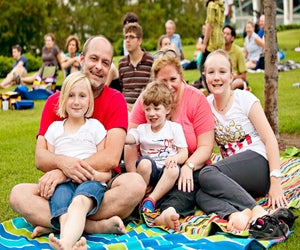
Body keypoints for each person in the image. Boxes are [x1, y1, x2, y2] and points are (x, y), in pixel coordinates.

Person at [9, 35, 146, 238]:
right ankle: (92, 226)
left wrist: (65, 170)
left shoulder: (115, 100)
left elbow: (110, 157)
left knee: (135, 184)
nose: (99, 66)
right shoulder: (55, 102)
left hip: (99, 183)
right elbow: (40, 158)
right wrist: (62, 169)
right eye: (94, 59)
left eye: (105, 62)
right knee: (18, 195)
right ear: (81, 59)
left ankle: (58, 223)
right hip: (60, 189)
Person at [196, 49, 288, 233]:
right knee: (199, 193)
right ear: (204, 75)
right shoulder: (205, 105)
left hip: (258, 164)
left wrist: (275, 181)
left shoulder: (244, 99)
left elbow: (270, 139)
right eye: (211, 72)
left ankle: (257, 210)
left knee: (206, 174)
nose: (216, 77)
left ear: (231, 75)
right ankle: (236, 214)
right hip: (235, 177)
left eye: (222, 72)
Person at [125, 47, 215, 230]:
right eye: (162, 80)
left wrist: (188, 166)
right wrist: (134, 179)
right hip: (150, 171)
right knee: (141, 171)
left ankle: (167, 211)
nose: (168, 85)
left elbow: (206, 147)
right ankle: (138, 202)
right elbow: (130, 143)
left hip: (184, 166)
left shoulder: (196, 100)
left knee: (188, 182)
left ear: (181, 77)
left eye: (173, 79)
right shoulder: (148, 100)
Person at [42, 71, 118, 249]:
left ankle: (65, 244)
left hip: (90, 181)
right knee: (62, 209)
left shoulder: (95, 127)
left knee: (79, 203)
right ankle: (69, 243)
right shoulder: (54, 130)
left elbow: (106, 171)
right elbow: (51, 167)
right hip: (62, 184)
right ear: (62, 100)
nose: (76, 101)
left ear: (89, 101)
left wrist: (91, 176)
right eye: (71, 96)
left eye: (82, 96)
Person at [125, 80, 188, 213]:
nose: (152, 113)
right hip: (149, 172)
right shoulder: (142, 129)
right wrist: (119, 137)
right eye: (148, 109)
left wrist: (176, 158)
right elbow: (130, 139)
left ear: (167, 109)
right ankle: (139, 198)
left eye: (156, 108)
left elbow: (183, 152)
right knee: (145, 163)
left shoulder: (174, 128)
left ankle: (151, 200)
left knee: (173, 169)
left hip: (166, 172)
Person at [118, 22, 154, 111]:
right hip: (126, 106)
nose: (127, 40)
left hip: (145, 105)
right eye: (126, 37)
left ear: (139, 40)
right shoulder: (122, 64)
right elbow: (121, 87)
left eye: (131, 37)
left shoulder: (150, 61)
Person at [199, 0, 224, 90]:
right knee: (217, 67)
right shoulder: (220, 5)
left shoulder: (211, 5)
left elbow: (210, 25)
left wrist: (204, 43)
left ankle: (211, 91)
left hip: (212, 41)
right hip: (220, 40)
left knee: (204, 68)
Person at [223, 24, 248, 90]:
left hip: (234, 79)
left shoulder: (238, 51)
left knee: (238, 82)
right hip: (222, 79)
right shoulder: (219, 51)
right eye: (224, 33)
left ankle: (228, 92)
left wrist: (234, 76)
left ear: (232, 38)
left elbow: (244, 76)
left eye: (227, 34)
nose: (224, 36)